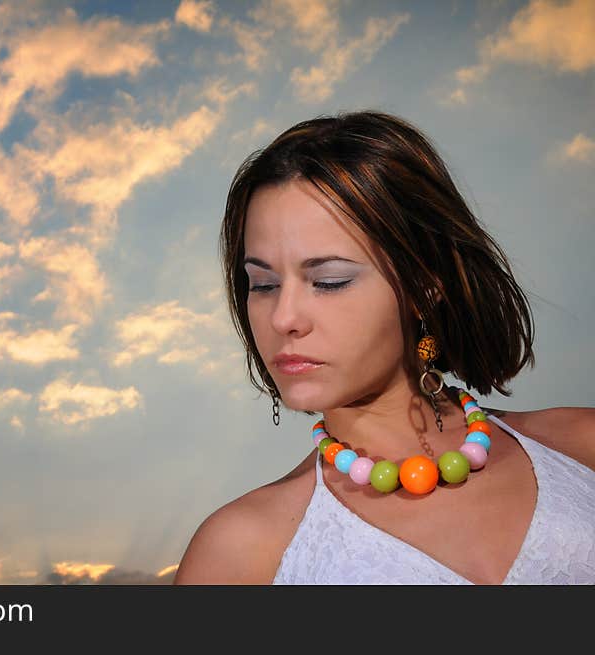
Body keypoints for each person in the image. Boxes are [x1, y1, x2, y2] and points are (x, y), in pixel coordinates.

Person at [173, 110, 595, 585]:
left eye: (328, 281)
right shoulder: (238, 552)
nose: (283, 318)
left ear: (423, 284)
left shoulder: (581, 446)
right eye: (263, 284)